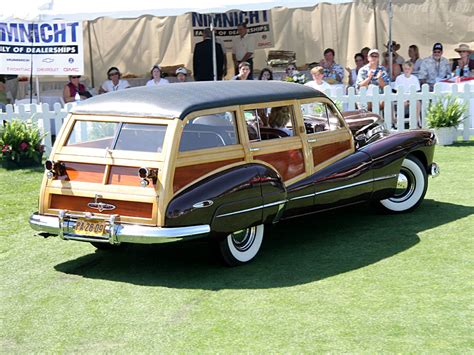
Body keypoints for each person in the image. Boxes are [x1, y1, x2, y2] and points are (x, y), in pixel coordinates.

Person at [395, 61, 422, 127]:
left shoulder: (414, 78)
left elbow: (416, 91)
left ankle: (415, 123)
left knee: (417, 103)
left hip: (412, 98)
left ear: (412, 69)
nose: (407, 70)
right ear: (403, 69)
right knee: (402, 103)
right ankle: (399, 123)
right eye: (405, 69)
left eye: (409, 69)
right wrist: (405, 99)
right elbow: (397, 91)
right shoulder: (399, 78)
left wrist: (410, 99)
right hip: (402, 98)